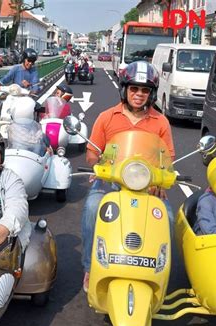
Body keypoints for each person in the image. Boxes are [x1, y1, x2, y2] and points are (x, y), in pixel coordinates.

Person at [81, 61, 175, 292]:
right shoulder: (107, 117)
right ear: (124, 89)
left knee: (168, 217)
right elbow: (92, 153)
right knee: (93, 207)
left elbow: (168, 158)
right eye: (134, 89)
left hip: (147, 185)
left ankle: (157, 269)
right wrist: (97, 167)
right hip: (111, 181)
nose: (139, 95)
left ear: (151, 94)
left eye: (145, 90)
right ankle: (89, 267)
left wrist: (161, 181)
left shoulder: (160, 121)